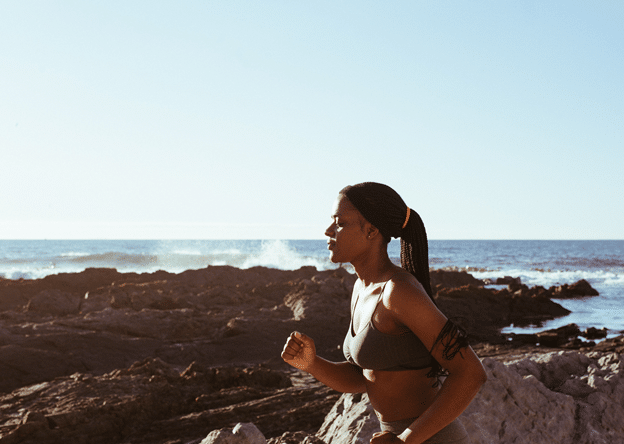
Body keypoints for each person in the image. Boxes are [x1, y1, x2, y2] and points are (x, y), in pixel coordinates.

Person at [281, 182, 487, 444]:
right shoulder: (361, 288)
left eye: (340, 223)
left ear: (371, 230)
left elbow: (471, 373)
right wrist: (312, 363)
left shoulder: (398, 292)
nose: (328, 231)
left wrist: (404, 440)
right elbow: (365, 376)